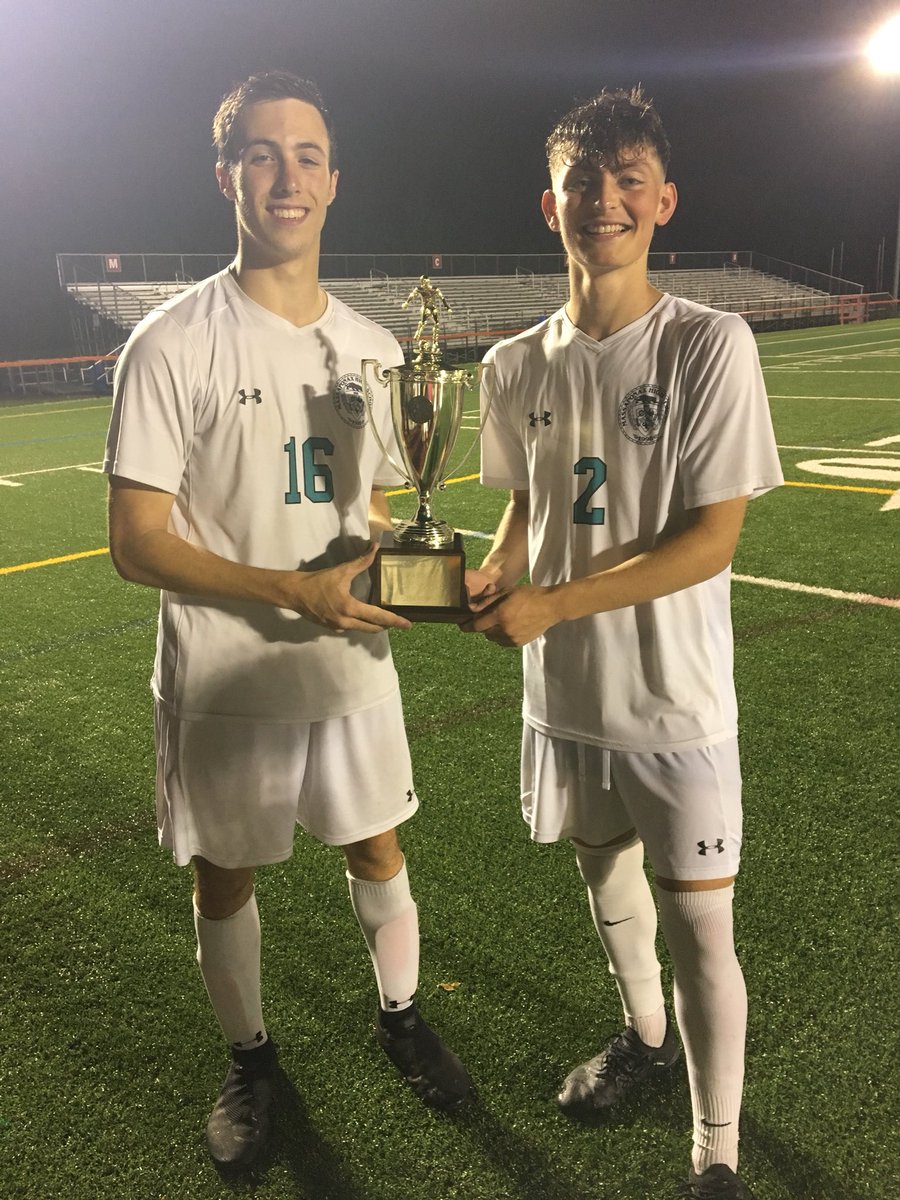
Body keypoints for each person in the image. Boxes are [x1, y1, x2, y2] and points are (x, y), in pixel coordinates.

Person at [103, 70, 470, 1172]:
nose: (287, 176)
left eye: (307, 155)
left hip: (349, 661)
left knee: (377, 843)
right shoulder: (170, 343)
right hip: (225, 679)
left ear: (334, 181)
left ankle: (401, 1016)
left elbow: (381, 509)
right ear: (227, 177)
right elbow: (135, 542)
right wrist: (289, 590)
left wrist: (423, 566)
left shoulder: (374, 348)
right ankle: (252, 1060)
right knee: (226, 873)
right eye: (263, 155)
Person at [463, 87, 782, 1200]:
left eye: (627, 178)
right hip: (565, 697)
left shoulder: (708, 343)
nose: (606, 199)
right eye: (584, 182)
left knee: (704, 930)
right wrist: (498, 570)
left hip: (674, 699)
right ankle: (643, 1038)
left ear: (663, 201)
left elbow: (710, 543)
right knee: (605, 882)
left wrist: (554, 603)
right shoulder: (513, 365)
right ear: (549, 203)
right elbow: (522, 507)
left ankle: (717, 1156)